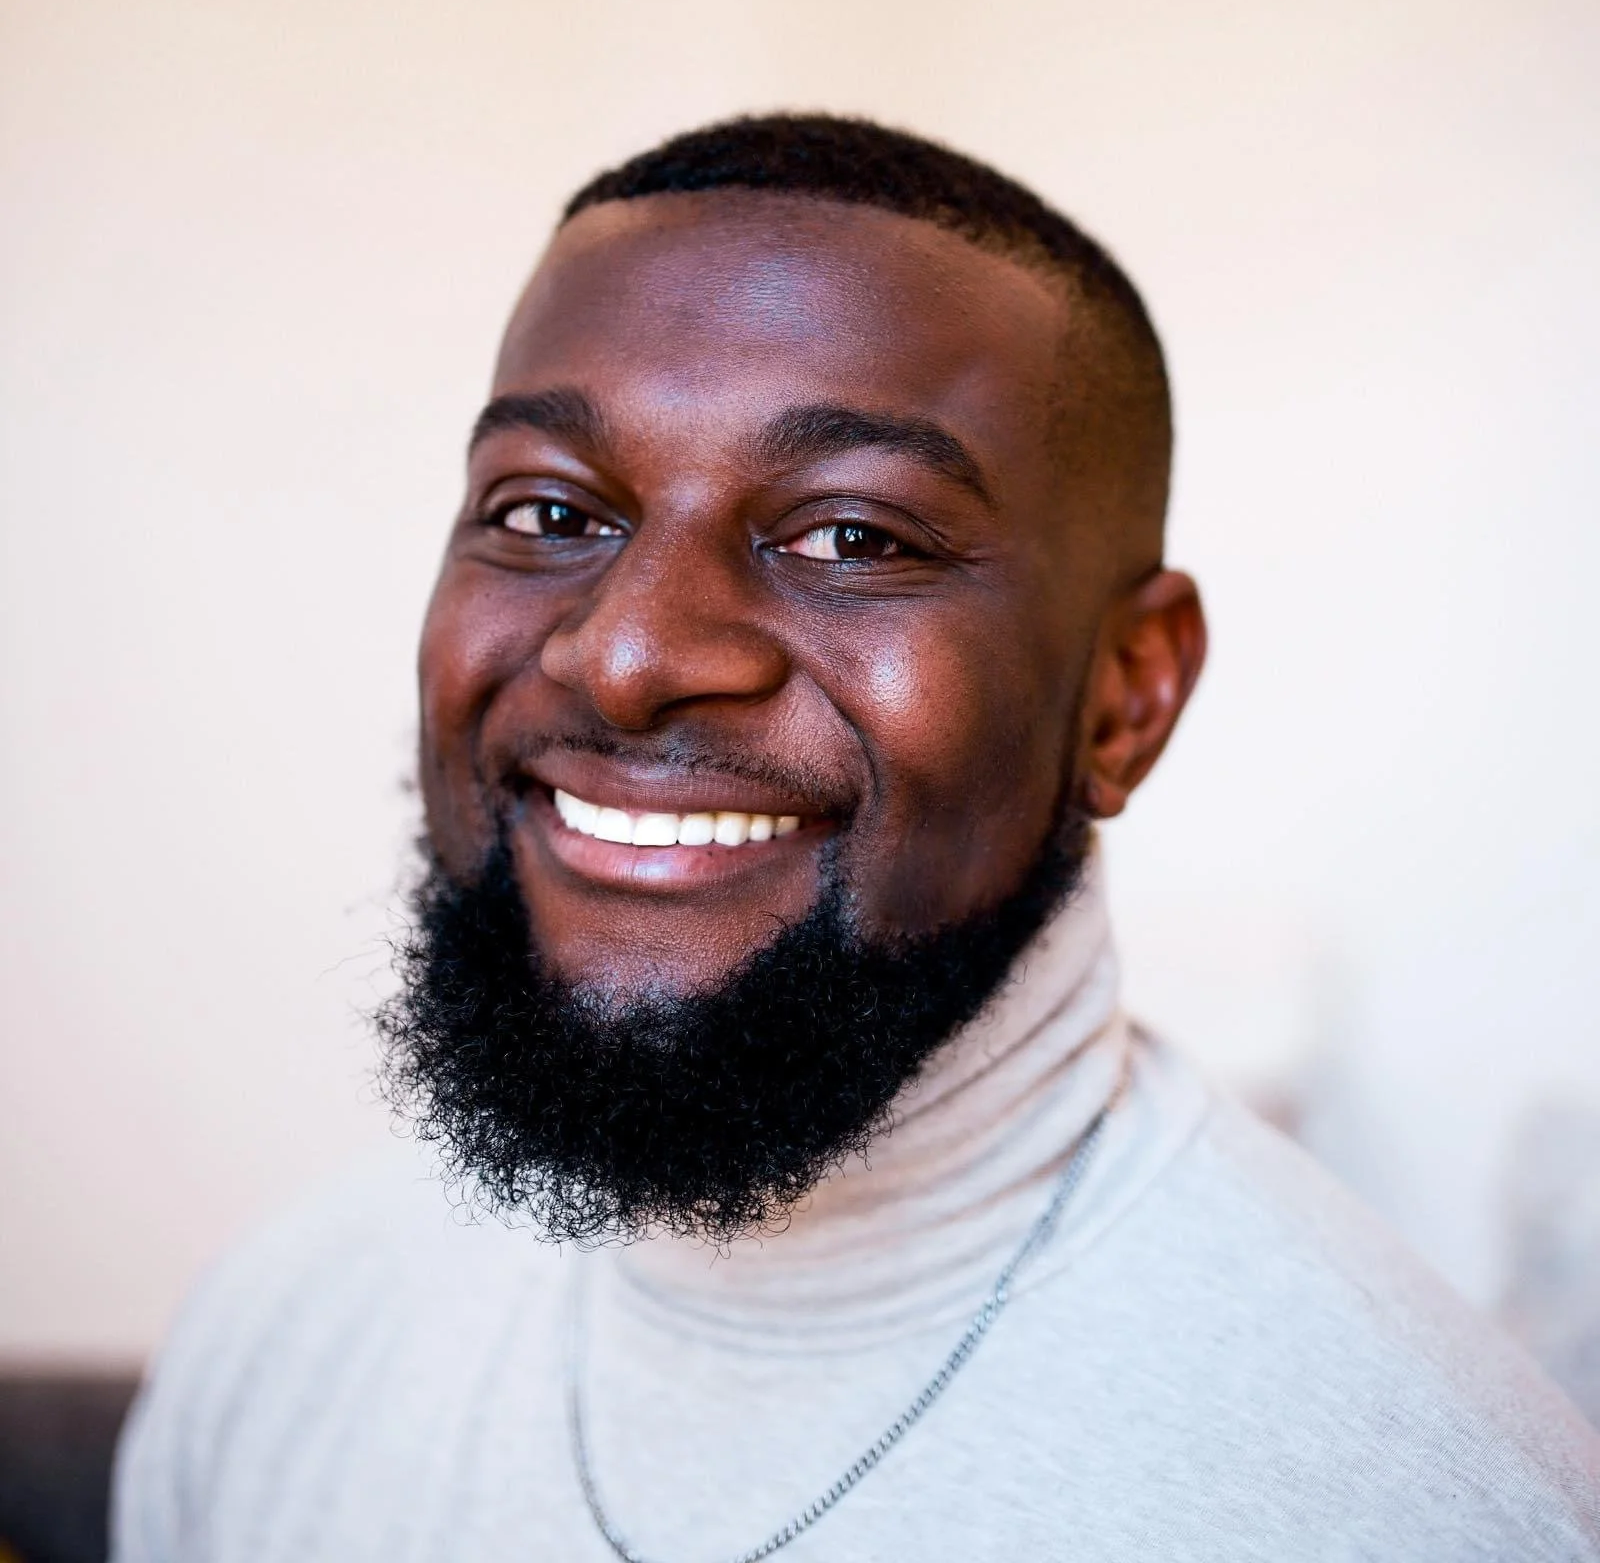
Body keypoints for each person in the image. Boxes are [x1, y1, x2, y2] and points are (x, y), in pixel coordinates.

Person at [112, 115, 1600, 1561]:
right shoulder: (283, 1338)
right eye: (551, 510)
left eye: (852, 538)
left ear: (1125, 697)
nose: (627, 657)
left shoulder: (1411, 1502)